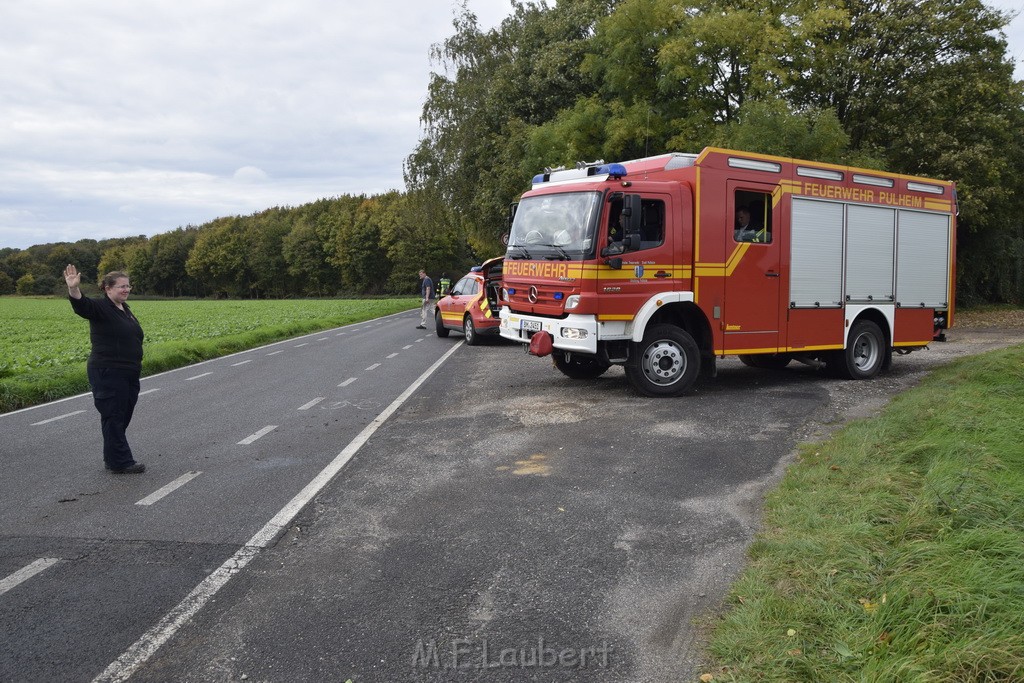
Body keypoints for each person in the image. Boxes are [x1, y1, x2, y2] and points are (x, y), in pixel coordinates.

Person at [64, 264, 146, 474]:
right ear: (107, 289)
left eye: (128, 286)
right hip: (109, 371)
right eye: (121, 286)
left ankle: (112, 456)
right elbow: (83, 306)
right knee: (113, 415)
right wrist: (74, 289)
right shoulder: (101, 308)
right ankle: (121, 462)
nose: (126, 290)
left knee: (122, 415)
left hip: (128, 372)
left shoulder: (125, 310)